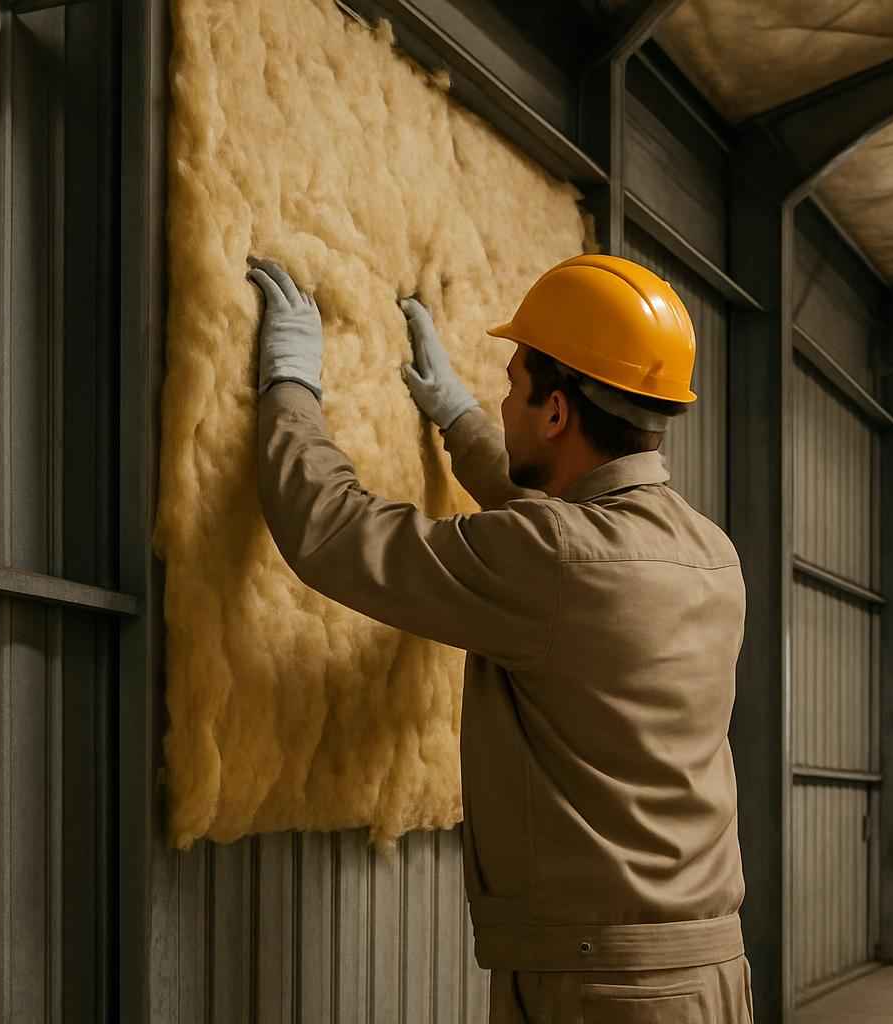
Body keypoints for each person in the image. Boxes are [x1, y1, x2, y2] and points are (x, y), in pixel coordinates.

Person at [247, 254, 753, 1022]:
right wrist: (459, 421)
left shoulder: (553, 562)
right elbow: (561, 533)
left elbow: (333, 532)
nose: (503, 401)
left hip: (601, 992)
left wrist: (290, 385)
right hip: (706, 974)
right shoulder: (712, 555)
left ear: (555, 412)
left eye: (512, 387)